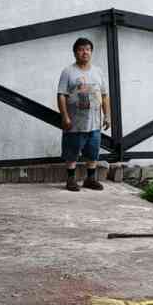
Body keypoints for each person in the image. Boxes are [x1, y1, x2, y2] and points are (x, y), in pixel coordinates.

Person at [57, 37, 110, 192]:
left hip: (94, 122)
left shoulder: (98, 71)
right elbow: (61, 95)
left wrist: (107, 115)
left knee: (93, 151)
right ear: (75, 53)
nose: (84, 52)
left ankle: (90, 179)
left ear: (91, 52)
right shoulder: (68, 72)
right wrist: (65, 116)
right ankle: (71, 180)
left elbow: (105, 95)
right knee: (72, 151)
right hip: (74, 122)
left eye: (87, 49)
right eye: (80, 49)